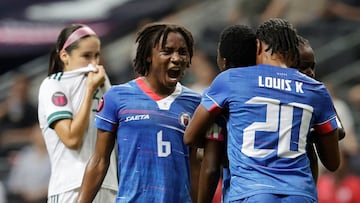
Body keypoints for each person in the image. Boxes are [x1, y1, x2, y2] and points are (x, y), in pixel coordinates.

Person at [184, 18, 340, 202]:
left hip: (251, 190)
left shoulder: (231, 79)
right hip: (300, 193)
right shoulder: (316, 90)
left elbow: (190, 137)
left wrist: (225, 141)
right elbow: (332, 163)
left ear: (258, 46)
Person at [76, 22, 201, 203]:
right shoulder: (117, 97)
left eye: (182, 52)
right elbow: (99, 160)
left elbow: (196, 164)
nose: (177, 58)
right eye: (167, 51)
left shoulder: (196, 104)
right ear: (149, 56)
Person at [37, 24, 118, 203]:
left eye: (97, 55)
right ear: (64, 56)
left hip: (109, 186)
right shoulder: (53, 85)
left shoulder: (104, 81)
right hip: (71, 187)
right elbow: (72, 139)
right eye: (86, 56)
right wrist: (89, 90)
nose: (94, 64)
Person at [196, 24, 257, 203]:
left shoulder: (221, 95)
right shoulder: (273, 91)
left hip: (242, 190)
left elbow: (190, 138)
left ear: (222, 61)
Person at [6, 123, 50, 203]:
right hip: (22, 199)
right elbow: (14, 183)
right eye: (38, 132)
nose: (41, 136)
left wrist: (40, 194)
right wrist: (25, 194)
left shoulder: (54, 158)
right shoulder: (24, 156)